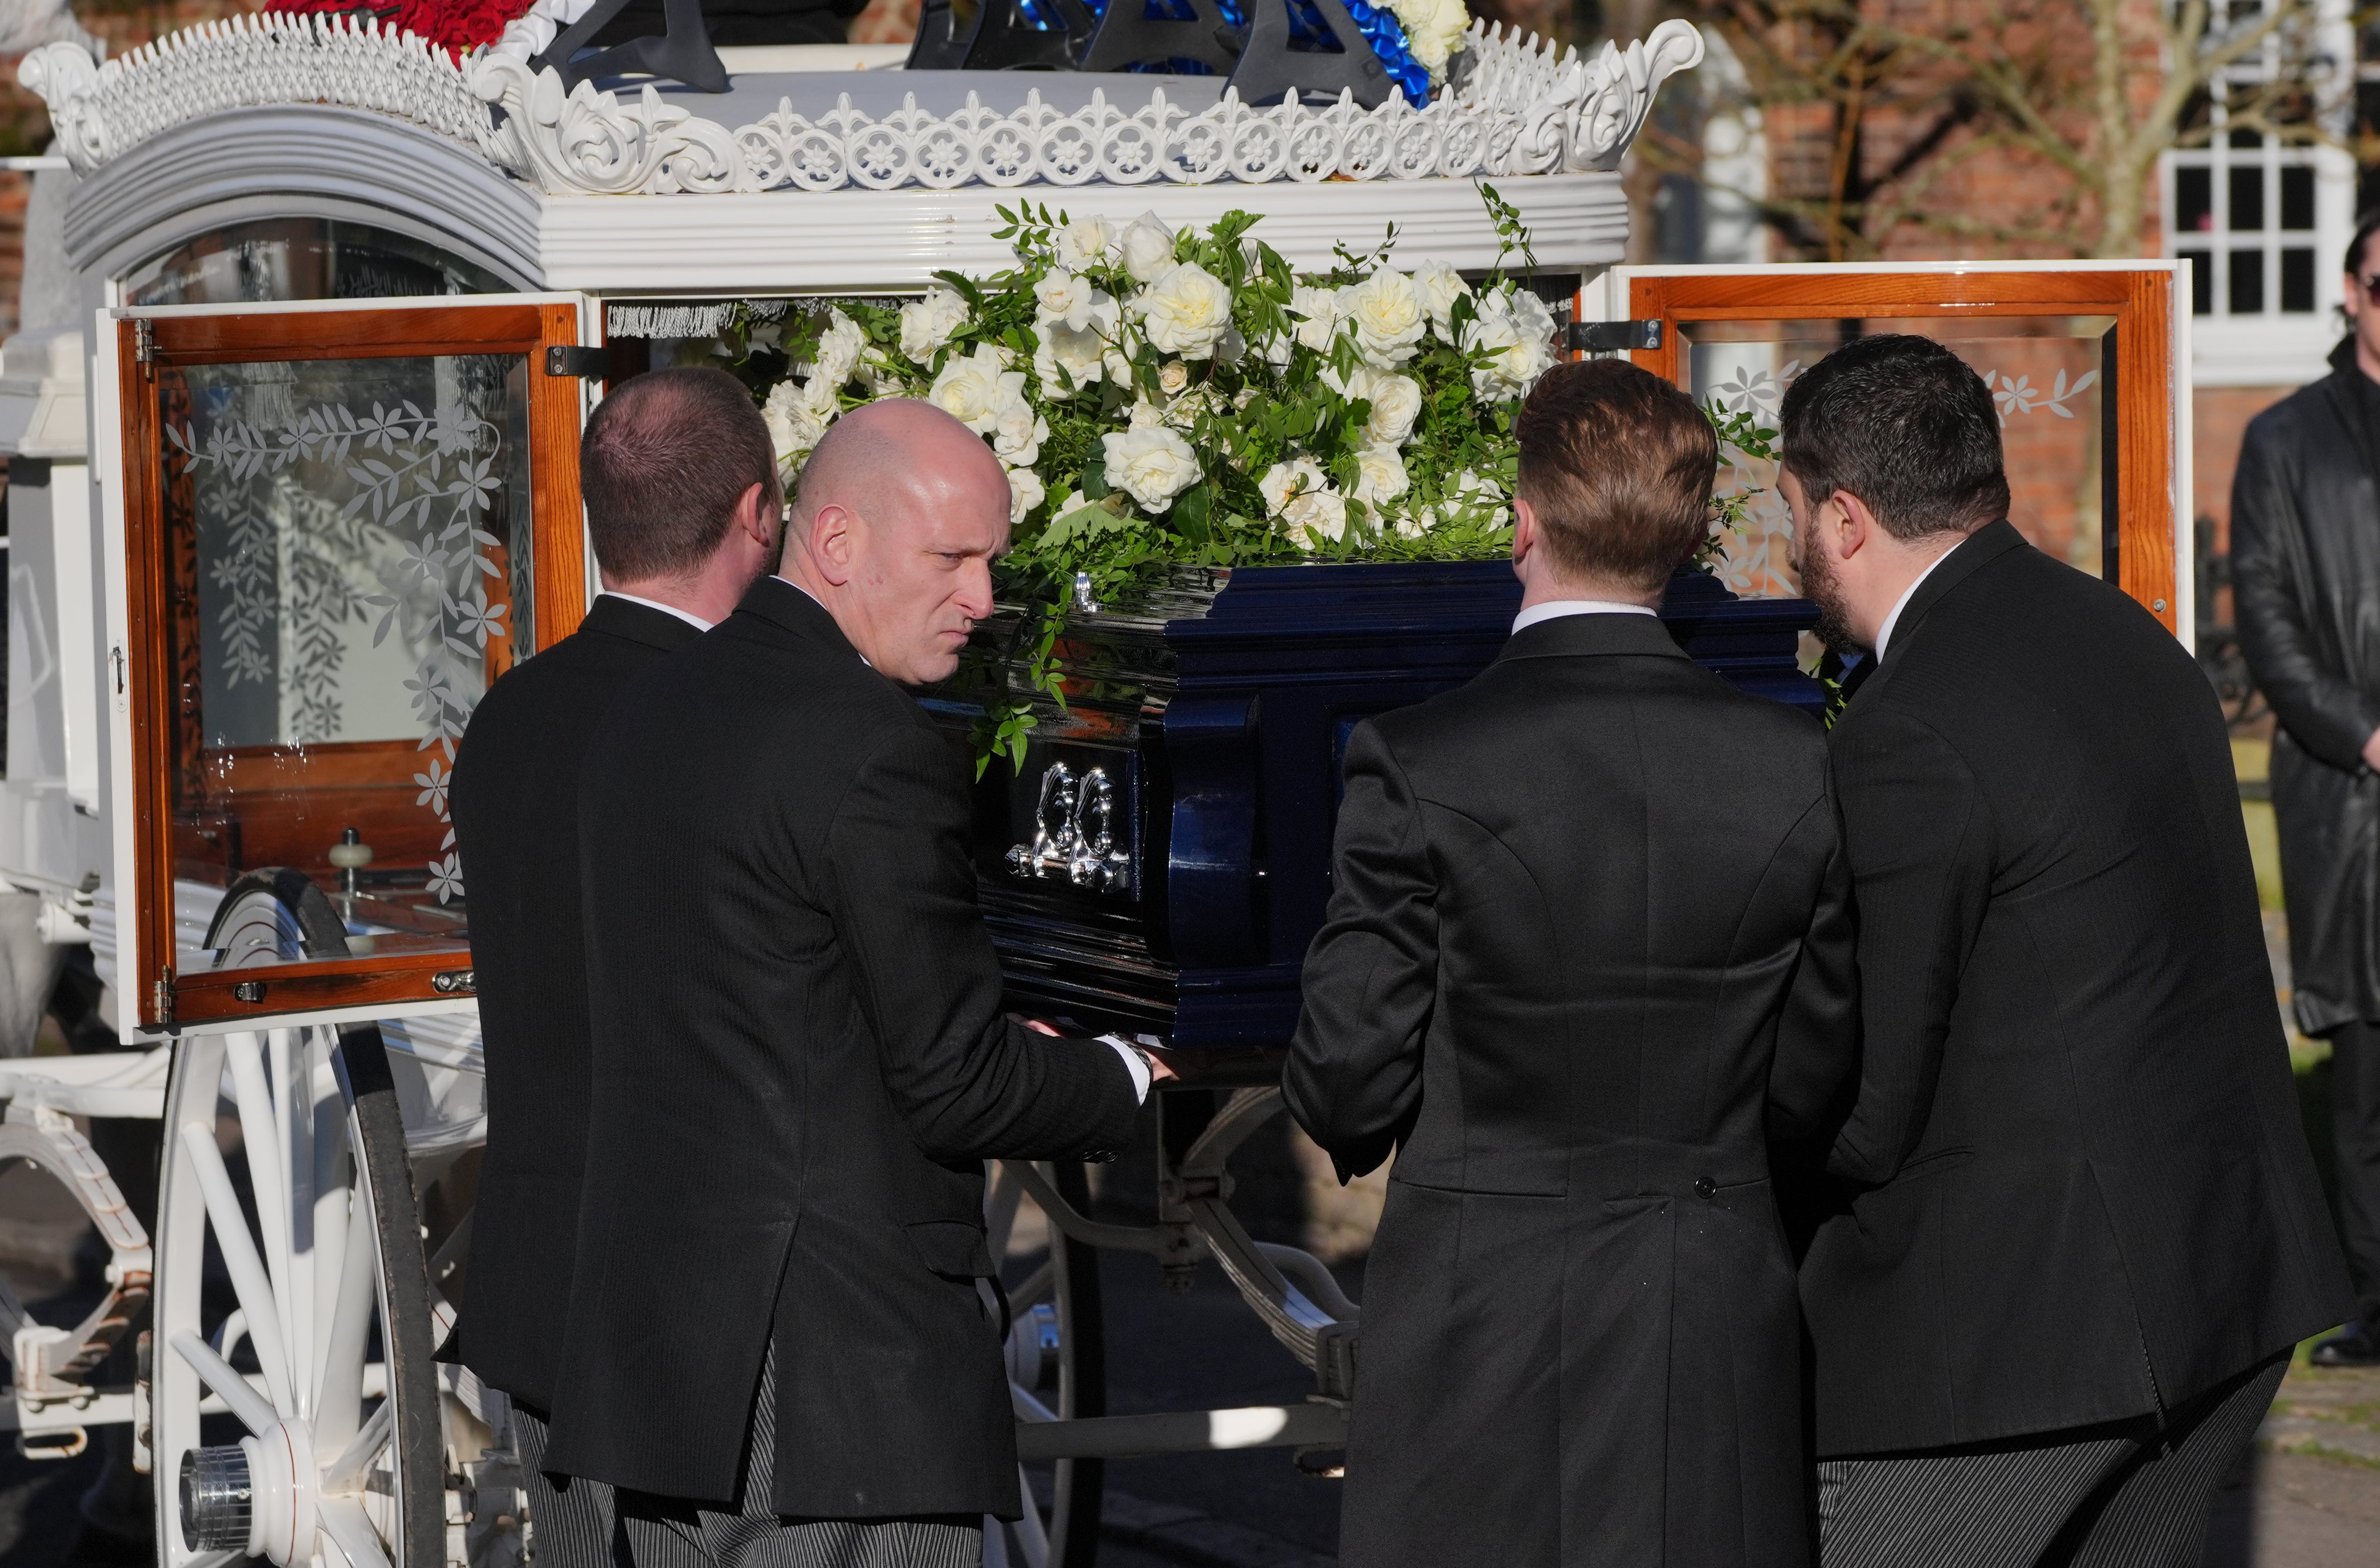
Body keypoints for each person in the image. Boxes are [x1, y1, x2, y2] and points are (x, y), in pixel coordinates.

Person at [543, 399, 1157, 1568]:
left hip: (659, 1366)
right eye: (952, 559)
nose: (984, 599)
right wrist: (1123, 1073)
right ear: (834, 543)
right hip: (838, 1386)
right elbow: (957, 1085)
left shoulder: (643, 712)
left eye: (993, 560)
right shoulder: (874, 746)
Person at [1284, 358, 1859, 1568]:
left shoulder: (1423, 759)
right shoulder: (1796, 766)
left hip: (1477, 1300)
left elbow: (1348, 1080)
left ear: (1523, 522)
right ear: (1695, 532)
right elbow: (1811, 1070)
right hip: (1706, 1295)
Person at [1787, 334, 2349, 1566]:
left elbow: (1870, 1102)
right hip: (2224, 1274)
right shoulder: (2122, 633)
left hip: (2020, 1340)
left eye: (1787, 514)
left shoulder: (1907, 721)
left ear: (1840, 516)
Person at [450, 367, 785, 1562]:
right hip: (718, 1303)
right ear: (758, 512)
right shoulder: (747, 721)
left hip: (550, 1274)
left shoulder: (511, 715)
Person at [2231, 210, 2380, 1368]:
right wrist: (2366, 733)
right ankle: (2376, 1295)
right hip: (2350, 791)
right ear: (2350, 291)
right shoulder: (2284, 440)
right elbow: (2267, 619)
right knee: (2364, 1060)